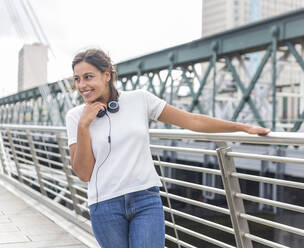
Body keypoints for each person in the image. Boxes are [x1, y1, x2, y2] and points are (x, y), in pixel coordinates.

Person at [65, 48, 270, 248]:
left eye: (88, 77)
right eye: (77, 79)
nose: (82, 85)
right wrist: (84, 125)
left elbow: (192, 121)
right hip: (105, 206)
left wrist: (243, 127)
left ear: (107, 75)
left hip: (145, 198)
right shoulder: (75, 117)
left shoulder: (139, 99)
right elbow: (83, 173)